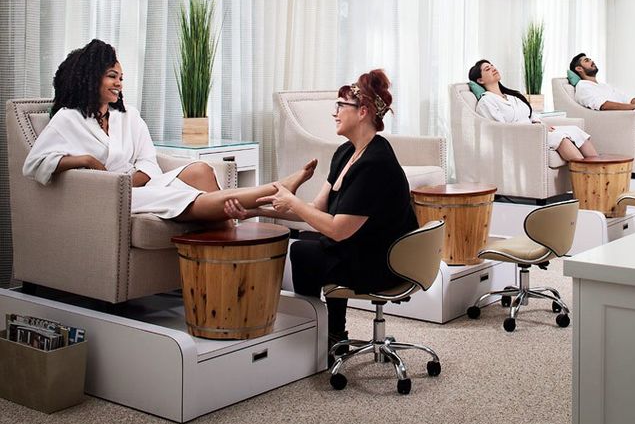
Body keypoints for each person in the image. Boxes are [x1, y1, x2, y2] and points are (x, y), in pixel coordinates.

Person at [226, 69, 418, 352]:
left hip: (386, 261)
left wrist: (292, 201)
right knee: (308, 242)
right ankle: (333, 333)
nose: (335, 112)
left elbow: (338, 229)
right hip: (366, 247)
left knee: (304, 252)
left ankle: (321, 334)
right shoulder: (346, 153)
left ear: (363, 111)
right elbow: (315, 211)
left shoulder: (375, 163)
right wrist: (255, 211)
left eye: (341, 105)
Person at [23, 39, 317, 222]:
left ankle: (254, 212)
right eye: (112, 76)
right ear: (90, 77)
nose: (119, 83)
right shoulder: (67, 119)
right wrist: (85, 161)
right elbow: (34, 164)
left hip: (137, 186)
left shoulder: (128, 117)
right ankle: (274, 192)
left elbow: (148, 162)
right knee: (185, 197)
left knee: (200, 171)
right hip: (109, 197)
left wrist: (133, 182)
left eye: (122, 77)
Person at [469, 59, 598, 161]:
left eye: (492, 65)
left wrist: (541, 124)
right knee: (561, 138)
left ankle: (599, 171)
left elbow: (531, 115)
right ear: (480, 80)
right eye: (487, 69)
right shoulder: (486, 101)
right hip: (521, 137)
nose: (493, 68)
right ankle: (586, 175)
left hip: (535, 131)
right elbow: (501, 129)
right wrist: (535, 129)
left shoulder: (512, 96)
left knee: (575, 131)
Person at [569, 53, 635, 142]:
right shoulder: (583, 86)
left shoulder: (604, 86)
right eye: (587, 60)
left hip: (630, 111)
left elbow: (627, 98)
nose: (592, 61)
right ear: (579, 68)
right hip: (620, 117)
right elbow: (604, 105)